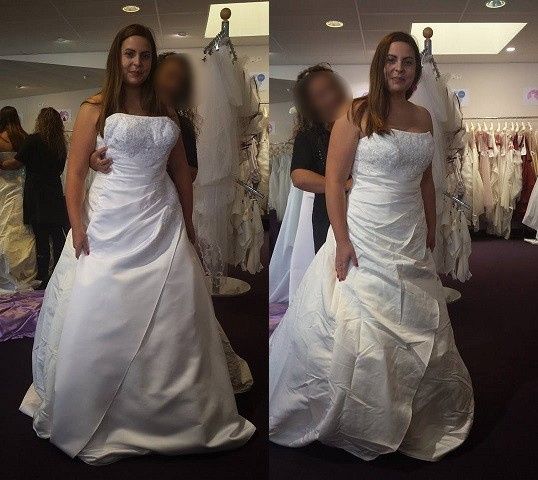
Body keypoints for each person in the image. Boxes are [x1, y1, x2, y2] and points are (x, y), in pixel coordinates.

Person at [19, 23, 255, 465]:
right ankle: (101, 402)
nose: (137, 63)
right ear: (117, 57)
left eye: (145, 55)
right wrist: (78, 227)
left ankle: (173, 405)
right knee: (102, 303)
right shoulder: (95, 107)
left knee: (175, 309)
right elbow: (74, 174)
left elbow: (181, 171)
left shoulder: (164, 107)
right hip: (109, 217)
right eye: (130, 54)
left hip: (161, 216)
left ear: (152, 61)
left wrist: (187, 224)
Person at [269, 32, 474, 461]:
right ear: (380, 66)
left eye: (408, 62)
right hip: (364, 231)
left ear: (416, 71)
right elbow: (333, 181)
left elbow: (425, 180)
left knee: (415, 316)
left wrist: (431, 226)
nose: (399, 69)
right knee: (357, 319)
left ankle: (409, 407)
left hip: (409, 231)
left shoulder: (424, 117)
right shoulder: (357, 113)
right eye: (391, 61)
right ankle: (358, 414)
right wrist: (342, 240)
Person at [90, 51, 199, 182]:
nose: (174, 85)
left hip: (161, 190)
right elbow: (99, 153)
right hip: (117, 189)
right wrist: (93, 162)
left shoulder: (182, 124)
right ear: (153, 74)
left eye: (181, 81)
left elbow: (191, 173)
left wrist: (158, 166)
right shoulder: (122, 114)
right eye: (169, 76)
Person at [2, 108, 68, 290]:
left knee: (41, 237)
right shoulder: (60, 144)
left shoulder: (33, 140)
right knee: (57, 236)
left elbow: (16, 163)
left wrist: (2, 163)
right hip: (54, 192)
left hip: (37, 193)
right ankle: (59, 272)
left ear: (41, 121)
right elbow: (60, 169)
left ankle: (42, 276)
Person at [290, 64, 352, 253]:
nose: (332, 96)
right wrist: (342, 185)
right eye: (321, 94)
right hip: (328, 215)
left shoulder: (359, 124)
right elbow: (299, 177)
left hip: (366, 209)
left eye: (333, 88)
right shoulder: (309, 135)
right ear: (311, 104)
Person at [0, 106, 36, 289]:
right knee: (21, 225)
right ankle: (23, 270)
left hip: (3, 186)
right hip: (20, 187)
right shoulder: (24, 137)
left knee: (4, 223)